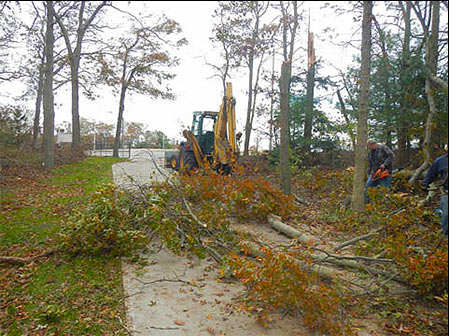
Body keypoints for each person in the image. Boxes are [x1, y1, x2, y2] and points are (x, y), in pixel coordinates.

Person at [422, 153, 448, 237]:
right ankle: (445, 235)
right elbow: (431, 173)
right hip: (447, 191)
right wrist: (425, 183)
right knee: (447, 214)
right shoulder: (440, 161)